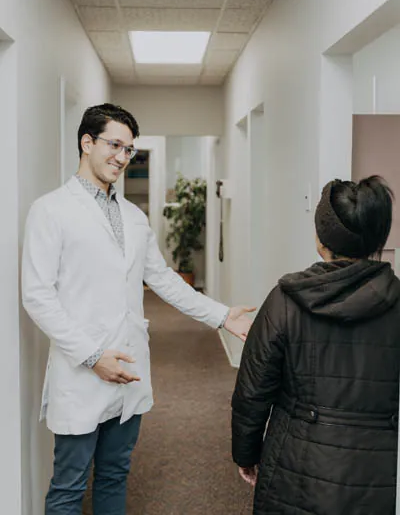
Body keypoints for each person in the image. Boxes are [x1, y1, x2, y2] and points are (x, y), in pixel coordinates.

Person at [22, 103, 254, 515]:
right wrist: (93, 357)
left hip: (129, 368)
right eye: (115, 145)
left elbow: (162, 279)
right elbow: (38, 296)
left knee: (114, 475)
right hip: (81, 371)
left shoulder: (132, 216)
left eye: (129, 149)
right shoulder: (50, 210)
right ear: (86, 142)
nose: (122, 157)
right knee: (69, 485)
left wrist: (221, 315)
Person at [231, 176, 400, 515]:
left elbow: (252, 392)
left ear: (321, 240)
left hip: (296, 467)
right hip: (380, 473)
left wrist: (246, 455)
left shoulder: (285, 300)